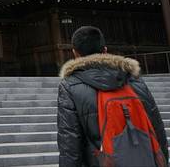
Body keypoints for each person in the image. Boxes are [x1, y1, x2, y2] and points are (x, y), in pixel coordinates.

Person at [57, 26, 168, 167]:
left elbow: (69, 143)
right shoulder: (134, 80)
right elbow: (157, 128)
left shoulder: (70, 86)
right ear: (105, 50)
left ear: (75, 52)